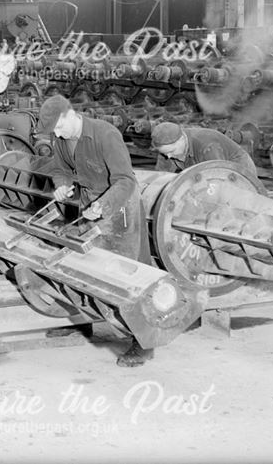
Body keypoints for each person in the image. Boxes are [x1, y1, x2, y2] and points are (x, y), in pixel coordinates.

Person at [36, 94, 152, 367]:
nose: (57, 134)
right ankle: (85, 321)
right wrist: (61, 184)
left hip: (119, 206)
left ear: (69, 114)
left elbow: (126, 181)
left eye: (58, 127)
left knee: (126, 275)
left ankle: (143, 341)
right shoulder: (60, 138)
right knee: (84, 265)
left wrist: (104, 205)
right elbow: (59, 168)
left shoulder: (105, 134)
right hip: (89, 204)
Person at [150, 122, 258, 177]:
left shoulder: (207, 146)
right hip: (205, 169)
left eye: (171, 152)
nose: (168, 156)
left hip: (238, 169)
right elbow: (161, 176)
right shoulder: (167, 148)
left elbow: (217, 177)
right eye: (164, 153)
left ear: (182, 138)